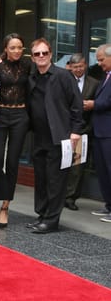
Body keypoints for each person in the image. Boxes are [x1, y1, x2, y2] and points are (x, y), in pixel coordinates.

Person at [26, 38, 83, 234]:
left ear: (51, 54)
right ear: (32, 58)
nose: (41, 56)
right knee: (41, 179)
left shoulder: (63, 76)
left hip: (59, 137)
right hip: (38, 137)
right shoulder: (32, 77)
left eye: (44, 53)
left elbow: (77, 105)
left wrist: (76, 130)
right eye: (37, 54)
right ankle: (42, 215)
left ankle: (51, 220)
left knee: (55, 180)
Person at [0, 33, 33, 227]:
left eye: (20, 47)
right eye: (13, 47)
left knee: (13, 161)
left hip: (20, 116)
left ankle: (6, 206)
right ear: (6, 48)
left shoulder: (28, 65)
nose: (17, 51)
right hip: (0, 114)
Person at [64, 54, 99, 211]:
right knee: (61, 164)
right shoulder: (63, 80)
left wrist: (92, 105)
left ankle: (70, 198)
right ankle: (58, 196)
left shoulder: (95, 84)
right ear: (70, 66)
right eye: (75, 66)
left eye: (81, 66)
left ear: (85, 65)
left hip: (83, 130)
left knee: (77, 166)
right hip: (63, 129)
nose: (78, 69)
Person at [90, 44, 111, 222]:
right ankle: (109, 205)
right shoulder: (105, 76)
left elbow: (106, 102)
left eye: (101, 60)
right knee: (103, 171)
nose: (99, 64)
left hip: (109, 133)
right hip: (99, 131)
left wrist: (93, 105)